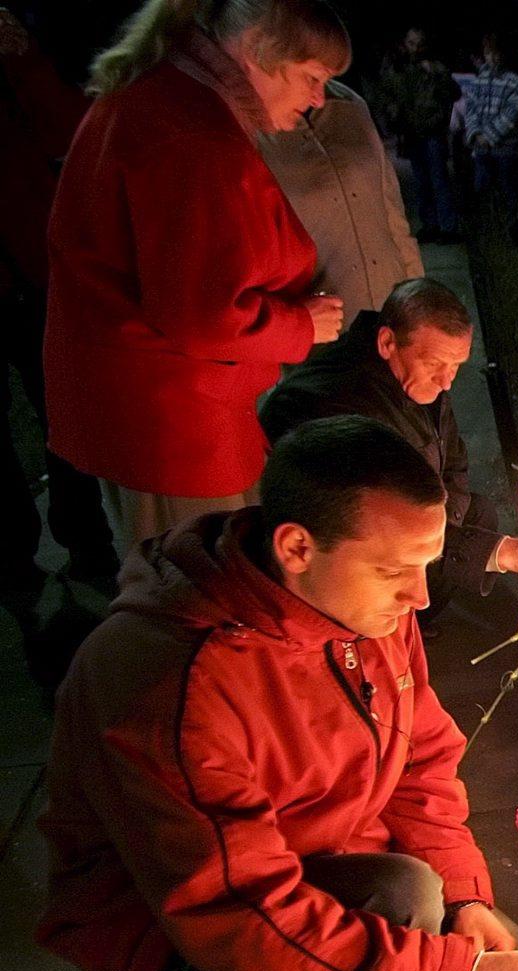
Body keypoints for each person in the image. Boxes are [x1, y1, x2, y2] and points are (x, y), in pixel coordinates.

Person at [38, 417, 518, 971]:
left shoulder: (355, 606)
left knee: (439, 909)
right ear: (296, 546)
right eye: (398, 569)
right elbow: (243, 915)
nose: (421, 595)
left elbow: (421, 757)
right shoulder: (175, 684)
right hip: (166, 915)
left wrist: (467, 899)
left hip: (301, 851)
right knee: (403, 900)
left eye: (430, 564)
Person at [44, 0, 349, 556]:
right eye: (312, 77)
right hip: (175, 425)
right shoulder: (196, 138)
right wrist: (300, 324)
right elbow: (204, 315)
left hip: (152, 409)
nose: (317, 100)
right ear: (258, 50)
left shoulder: (167, 98)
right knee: (199, 584)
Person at [259, 276, 518, 599]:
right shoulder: (342, 408)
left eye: (456, 366)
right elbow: (381, 525)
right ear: (387, 343)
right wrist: (504, 552)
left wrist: (448, 524)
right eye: (436, 365)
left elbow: (453, 459)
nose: (446, 382)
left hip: (418, 516)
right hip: (355, 557)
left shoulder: (417, 377)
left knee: (481, 513)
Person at [0, 7, 118, 589]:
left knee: (64, 417)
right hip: (23, 270)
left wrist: (22, 58)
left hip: (35, 273)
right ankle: (15, 562)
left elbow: (68, 128)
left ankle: (88, 548)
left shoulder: (18, 56)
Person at [259, 78, 422, 320]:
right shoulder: (250, 129)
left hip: (392, 313)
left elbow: (393, 215)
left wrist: (418, 297)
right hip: (322, 327)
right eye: (311, 75)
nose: (319, 95)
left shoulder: (349, 104)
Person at [371, 27, 458, 241]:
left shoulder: (435, 68)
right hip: (411, 132)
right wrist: (393, 113)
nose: (415, 48)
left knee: (438, 180)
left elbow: (453, 92)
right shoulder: (397, 69)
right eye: (411, 43)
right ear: (405, 43)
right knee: (422, 182)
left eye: (419, 44)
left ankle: (448, 227)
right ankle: (429, 225)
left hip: (432, 131)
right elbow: (384, 95)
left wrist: (436, 74)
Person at [454, 36, 518, 235]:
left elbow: (511, 114)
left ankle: (512, 228)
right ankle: (488, 227)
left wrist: (490, 135)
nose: (492, 58)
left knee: (507, 186)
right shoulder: (480, 78)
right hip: (481, 146)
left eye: (496, 54)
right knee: (481, 186)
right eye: (489, 54)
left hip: (505, 146)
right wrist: (475, 133)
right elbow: (471, 108)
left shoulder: (512, 81)